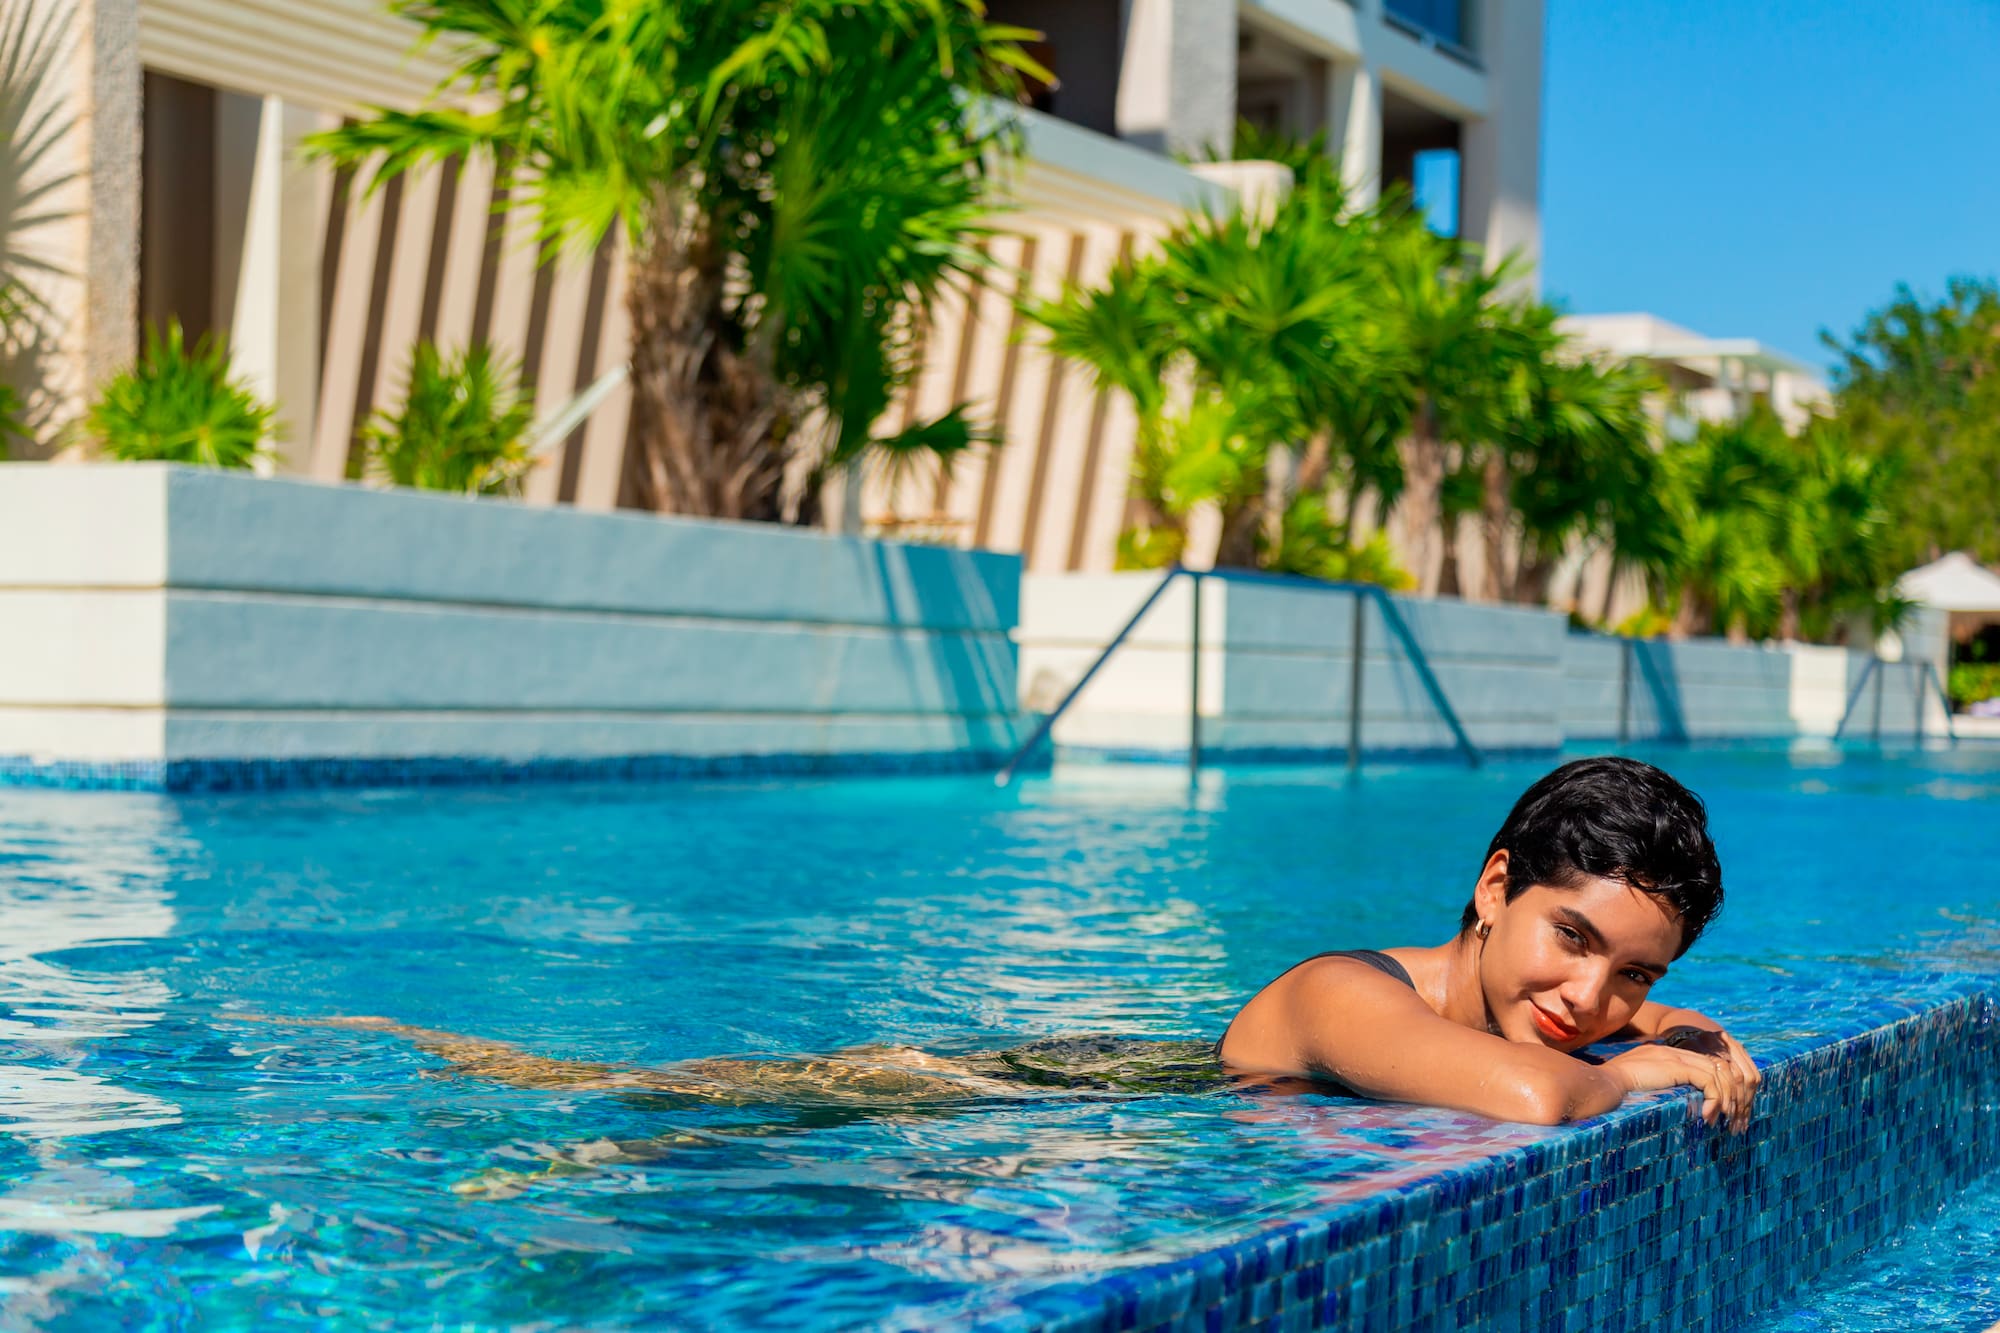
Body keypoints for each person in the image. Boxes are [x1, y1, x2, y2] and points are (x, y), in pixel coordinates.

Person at [1218, 755, 1761, 1129]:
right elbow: (1538, 1097)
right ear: (1496, 890)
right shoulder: (1336, 992)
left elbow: (1674, 1022)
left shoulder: (1555, 998)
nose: (1589, 999)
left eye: (1635, 973)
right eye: (1571, 937)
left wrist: (1688, 1041)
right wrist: (1625, 1073)